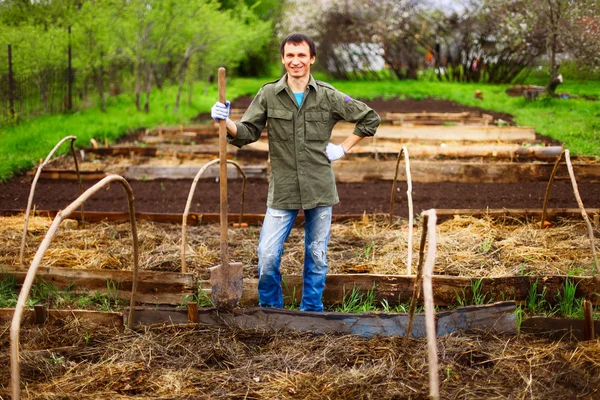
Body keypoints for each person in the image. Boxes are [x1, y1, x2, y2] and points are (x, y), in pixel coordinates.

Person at [211, 33, 380, 312]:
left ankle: (311, 311)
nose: (295, 61)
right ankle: (271, 311)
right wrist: (225, 120)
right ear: (283, 59)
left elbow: (370, 117)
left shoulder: (328, 95)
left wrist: (343, 148)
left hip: (319, 185)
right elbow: (247, 132)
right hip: (284, 188)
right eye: (290, 55)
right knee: (266, 255)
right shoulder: (268, 94)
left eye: (301, 55)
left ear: (312, 58)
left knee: (316, 255)